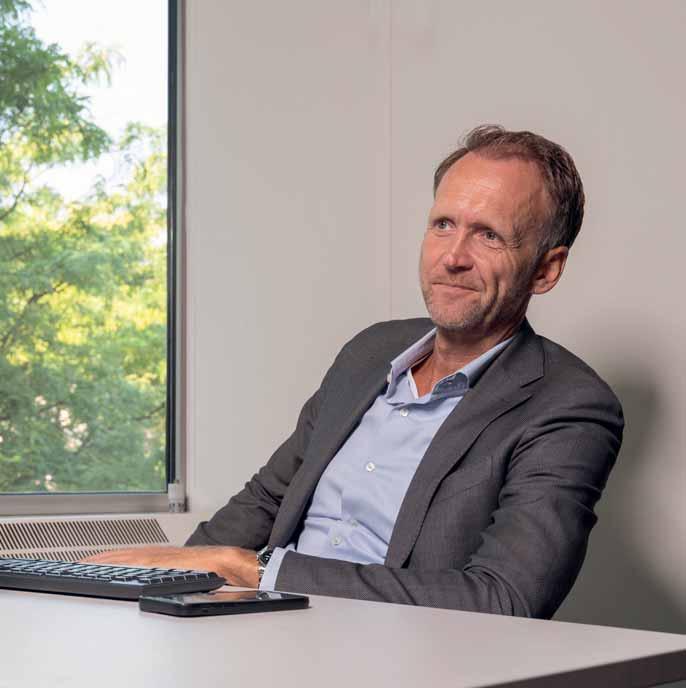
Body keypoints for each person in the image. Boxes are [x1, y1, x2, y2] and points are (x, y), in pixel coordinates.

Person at [85, 125, 624, 618]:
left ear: (546, 269)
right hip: (265, 631)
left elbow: (505, 598)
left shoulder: (569, 405)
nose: (452, 257)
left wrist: (253, 570)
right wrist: (157, 581)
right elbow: (267, 499)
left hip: (394, 655)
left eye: (488, 235)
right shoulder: (370, 352)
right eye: (443, 225)